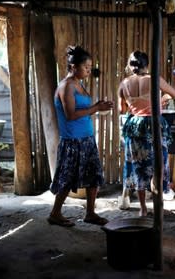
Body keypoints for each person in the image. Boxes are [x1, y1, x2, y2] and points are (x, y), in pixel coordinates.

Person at [48, 45, 114, 227]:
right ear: (73, 67)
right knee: (67, 178)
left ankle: (91, 213)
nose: (88, 70)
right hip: (72, 140)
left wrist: (98, 105)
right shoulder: (67, 86)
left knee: (94, 175)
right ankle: (55, 213)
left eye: (89, 66)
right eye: (85, 67)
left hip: (86, 138)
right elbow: (70, 114)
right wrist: (96, 108)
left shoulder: (78, 84)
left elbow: (83, 109)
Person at [118, 50, 175, 216]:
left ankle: (143, 208)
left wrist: (135, 104)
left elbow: (121, 109)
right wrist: (160, 100)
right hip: (153, 126)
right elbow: (174, 94)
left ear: (130, 67)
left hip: (134, 126)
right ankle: (157, 207)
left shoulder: (124, 83)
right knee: (157, 169)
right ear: (147, 65)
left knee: (138, 168)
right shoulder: (155, 80)